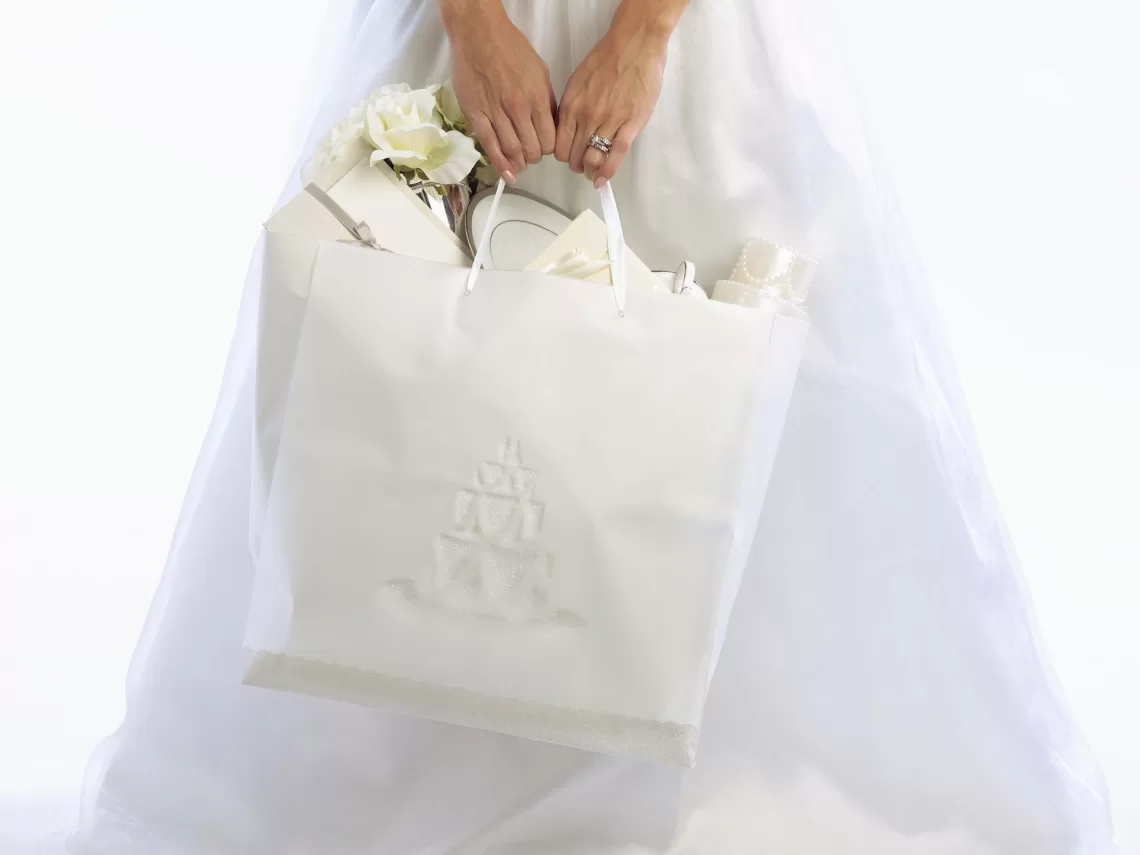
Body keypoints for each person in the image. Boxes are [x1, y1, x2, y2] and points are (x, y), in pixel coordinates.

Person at [72, 1, 1116, 853]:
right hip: (469, 26)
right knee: (396, 376)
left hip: (704, 49)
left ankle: (714, 770)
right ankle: (409, 765)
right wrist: (475, 27)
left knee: (765, 395)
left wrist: (647, 33)